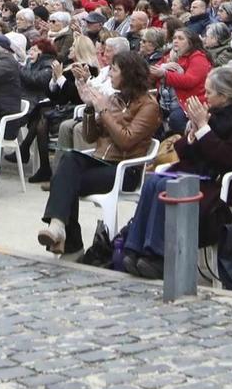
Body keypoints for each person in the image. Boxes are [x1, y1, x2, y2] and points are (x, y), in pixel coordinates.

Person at [116, 65, 232, 280]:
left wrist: (204, 128)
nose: (205, 96)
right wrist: (193, 134)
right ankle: (135, 248)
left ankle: (159, 254)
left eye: (210, 92)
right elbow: (183, 151)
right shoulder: (212, 114)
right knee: (152, 182)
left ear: (224, 96)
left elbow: (230, 159)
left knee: (166, 187)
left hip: (219, 183)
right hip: (195, 173)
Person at [38, 50, 161, 256]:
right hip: (101, 161)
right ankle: (59, 228)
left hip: (125, 170)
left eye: (114, 70)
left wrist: (103, 111)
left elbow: (126, 140)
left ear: (129, 74)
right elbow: (89, 136)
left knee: (64, 180)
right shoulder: (114, 99)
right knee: (68, 162)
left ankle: (69, 243)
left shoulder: (149, 106)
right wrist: (88, 108)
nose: (110, 74)